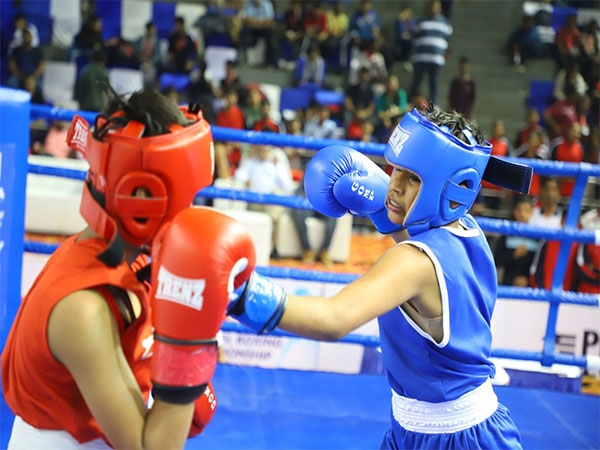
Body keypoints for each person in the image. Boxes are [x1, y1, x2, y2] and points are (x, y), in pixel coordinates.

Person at [228, 104, 531, 449]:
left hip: (452, 438)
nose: (394, 186)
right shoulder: (470, 233)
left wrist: (240, 292)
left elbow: (333, 319)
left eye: (413, 178)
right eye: (395, 170)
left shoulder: (410, 262)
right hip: (446, 426)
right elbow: (421, 240)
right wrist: (381, 206)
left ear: (453, 189)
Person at [1, 89, 255, 449]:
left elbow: (331, 320)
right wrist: (191, 351)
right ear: (144, 196)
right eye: (188, 196)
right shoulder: (84, 307)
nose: (192, 211)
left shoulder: (131, 261)